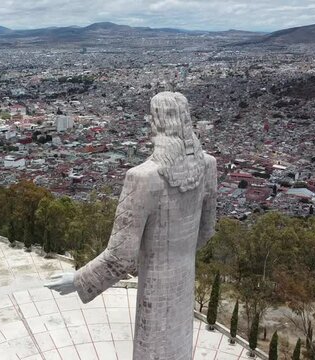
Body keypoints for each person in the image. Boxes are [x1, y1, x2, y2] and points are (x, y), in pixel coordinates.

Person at [45, 92, 217, 360]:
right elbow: (207, 231)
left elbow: (120, 257)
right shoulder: (208, 165)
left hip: (156, 288)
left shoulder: (142, 178)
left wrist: (78, 280)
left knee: (153, 347)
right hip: (185, 282)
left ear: (157, 123)